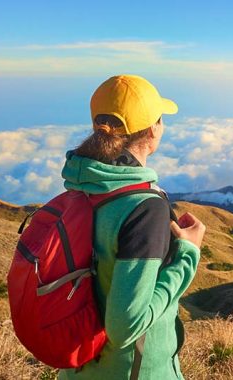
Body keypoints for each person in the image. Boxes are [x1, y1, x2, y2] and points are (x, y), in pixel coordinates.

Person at [58, 74, 205, 380]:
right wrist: (187, 256)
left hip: (78, 369)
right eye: (161, 119)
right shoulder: (143, 209)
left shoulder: (82, 188)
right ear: (153, 129)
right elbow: (125, 326)